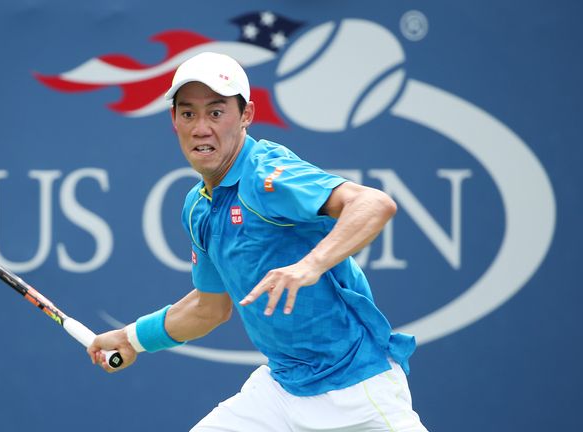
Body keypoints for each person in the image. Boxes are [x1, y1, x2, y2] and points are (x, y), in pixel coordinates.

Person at [88, 52, 428, 432]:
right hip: (281, 390)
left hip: (355, 387)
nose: (201, 128)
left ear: (246, 115)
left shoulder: (268, 174)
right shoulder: (197, 208)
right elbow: (208, 308)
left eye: (216, 112)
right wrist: (133, 338)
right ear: (175, 121)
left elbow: (373, 204)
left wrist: (309, 266)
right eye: (188, 114)